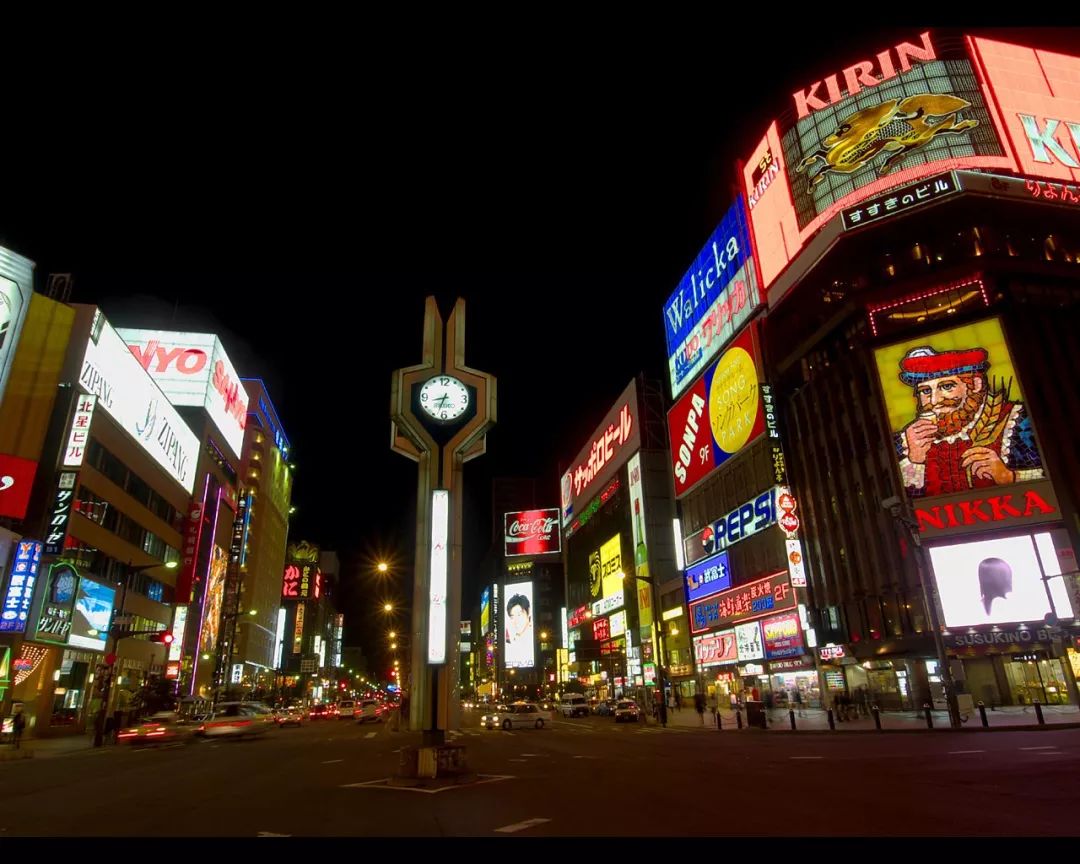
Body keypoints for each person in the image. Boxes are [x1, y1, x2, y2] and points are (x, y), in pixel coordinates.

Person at [892, 344, 1043, 498]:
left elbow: (1054, 478)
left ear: (976, 384)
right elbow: (898, 505)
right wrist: (914, 461)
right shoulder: (905, 441)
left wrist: (1009, 476)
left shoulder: (1018, 421)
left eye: (947, 386)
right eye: (925, 391)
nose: (935, 400)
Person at [504, 594, 533, 668]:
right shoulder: (508, 643)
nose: (516, 621)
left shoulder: (533, 638)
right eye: (512, 616)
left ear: (528, 611)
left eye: (519, 615)